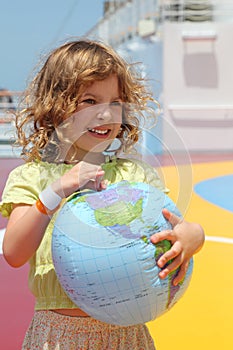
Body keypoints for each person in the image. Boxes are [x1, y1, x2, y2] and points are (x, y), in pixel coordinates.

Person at [0, 39, 204, 350]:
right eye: (89, 101)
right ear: (56, 106)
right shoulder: (33, 177)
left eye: (115, 102)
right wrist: (55, 192)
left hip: (125, 335)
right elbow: (14, 252)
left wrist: (194, 237)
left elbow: (179, 227)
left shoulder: (135, 176)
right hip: (58, 336)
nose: (105, 114)